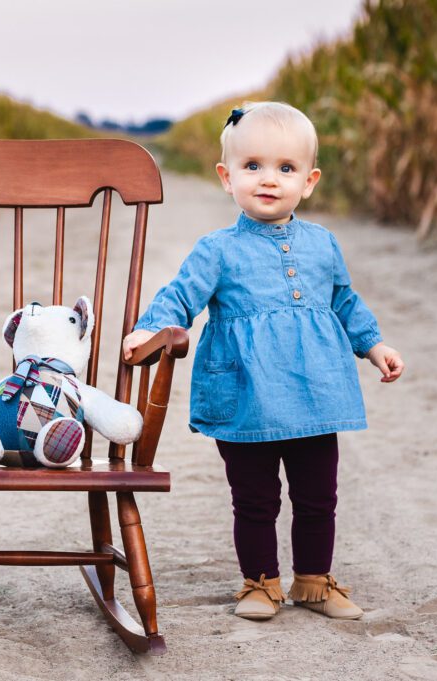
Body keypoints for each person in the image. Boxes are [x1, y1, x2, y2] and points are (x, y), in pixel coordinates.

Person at [122, 101, 404, 621]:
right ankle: (260, 583)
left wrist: (373, 344)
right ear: (227, 178)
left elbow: (343, 301)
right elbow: (181, 295)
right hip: (247, 397)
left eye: (286, 168)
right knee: (255, 500)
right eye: (252, 167)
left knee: (319, 497)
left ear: (309, 181)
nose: (268, 180)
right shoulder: (218, 249)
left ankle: (314, 582)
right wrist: (149, 327)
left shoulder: (322, 244)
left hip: (315, 395)